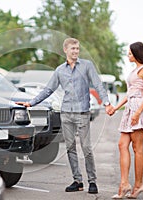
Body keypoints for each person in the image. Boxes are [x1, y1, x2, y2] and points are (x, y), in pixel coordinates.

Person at [17, 38, 113, 194]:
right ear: (65, 50)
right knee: (70, 148)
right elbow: (48, 90)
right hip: (66, 113)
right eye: (73, 48)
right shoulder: (60, 70)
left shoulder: (87, 66)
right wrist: (31, 103)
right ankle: (77, 181)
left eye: (77, 48)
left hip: (82, 113)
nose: (76, 51)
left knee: (87, 148)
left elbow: (98, 85)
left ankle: (92, 181)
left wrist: (107, 103)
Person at [110, 42, 143, 199]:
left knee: (137, 148)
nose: (128, 55)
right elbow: (129, 93)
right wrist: (116, 108)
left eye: (130, 53)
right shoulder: (134, 70)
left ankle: (138, 184)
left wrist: (138, 112)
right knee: (122, 144)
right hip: (129, 109)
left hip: (138, 109)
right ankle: (124, 184)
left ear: (137, 53)